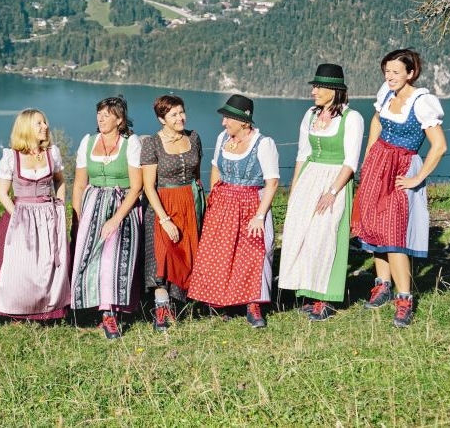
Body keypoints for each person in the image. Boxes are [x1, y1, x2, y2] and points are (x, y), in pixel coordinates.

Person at [352, 48, 447, 328]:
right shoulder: (386, 93)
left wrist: (417, 179)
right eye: (387, 71)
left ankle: (404, 299)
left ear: (411, 73)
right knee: (374, 229)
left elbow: (439, 146)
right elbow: (377, 121)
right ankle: (382, 285)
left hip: (401, 169)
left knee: (394, 234)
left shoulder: (421, 102)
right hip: (377, 164)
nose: (389, 76)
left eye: (395, 72)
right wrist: (369, 156)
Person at [278, 64, 364, 321]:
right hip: (309, 177)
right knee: (302, 233)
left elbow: (351, 162)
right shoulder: (310, 115)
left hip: (334, 179)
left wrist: (332, 191)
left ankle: (327, 296)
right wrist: (294, 189)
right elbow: (303, 154)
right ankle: (307, 290)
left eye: (318, 87)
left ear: (334, 90)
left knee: (325, 235)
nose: (313, 91)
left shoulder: (352, 118)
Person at [188, 94, 279, 328]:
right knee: (221, 253)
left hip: (251, 201)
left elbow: (272, 182)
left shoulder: (263, 143)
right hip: (223, 202)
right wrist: (214, 198)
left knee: (254, 254)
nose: (224, 123)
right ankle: (220, 302)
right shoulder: (223, 139)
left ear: (244, 122)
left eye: (228, 118)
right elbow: (216, 168)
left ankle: (253, 304)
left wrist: (260, 215)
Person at [0, 109, 70, 322]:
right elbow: (2, 193)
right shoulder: (12, 157)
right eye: (39, 124)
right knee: (20, 266)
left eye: (45, 122)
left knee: (48, 264)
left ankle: (48, 308)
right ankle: (19, 308)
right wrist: (17, 216)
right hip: (20, 214)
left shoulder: (51, 153)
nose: (45, 127)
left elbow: (59, 180)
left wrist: (59, 205)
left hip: (48, 214)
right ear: (26, 128)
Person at [70, 96, 143, 339]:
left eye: (107, 114)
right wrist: (80, 216)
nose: (101, 118)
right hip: (91, 206)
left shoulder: (130, 143)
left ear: (120, 120)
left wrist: (116, 219)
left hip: (122, 207)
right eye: (99, 113)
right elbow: (80, 184)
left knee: (112, 260)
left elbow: (136, 187)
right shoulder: (88, 142)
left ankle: (110, 314)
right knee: (90, 260)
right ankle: (91, 309)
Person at [140, 94, 205, 332]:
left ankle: (179, 306)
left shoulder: (194, 137)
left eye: (182, 112)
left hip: (189, 201)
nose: (180, 117)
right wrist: (164, 219)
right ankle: (161, 311)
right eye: (174, 114)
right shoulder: (152, 143)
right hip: (162, 205)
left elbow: (197, 174)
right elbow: (148, 185)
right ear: (161, 119)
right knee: (162, 256)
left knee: (185, 254)